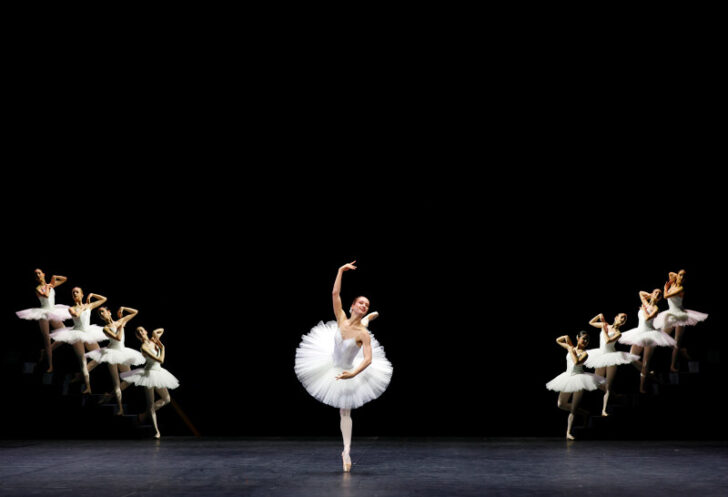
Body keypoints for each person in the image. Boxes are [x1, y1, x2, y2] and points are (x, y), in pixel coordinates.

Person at [294, 261, 393, 472]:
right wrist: (340, 270)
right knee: (362, 323)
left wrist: (353, 374)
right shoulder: (341, 318)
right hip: (329, 361)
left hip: (348, 369)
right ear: (352, 306)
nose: (363, 305)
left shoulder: (363, 335)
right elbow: (334, 293)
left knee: (345, 412)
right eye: (361, 303)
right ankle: (368, 319)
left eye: (367, 305)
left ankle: (346, 451)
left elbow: (368, 359)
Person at [121, 327, 179, 439]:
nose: (140, 332)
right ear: (138, 336)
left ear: (146, 331)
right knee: (150, 404)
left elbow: (162, 329)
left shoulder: (153, 340)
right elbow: (160, 360)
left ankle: (143, 415)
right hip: (149, 374)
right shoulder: (144, 347)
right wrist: (162, 348)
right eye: (138, 332)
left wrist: (154, 333)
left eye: (142, 330)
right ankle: (156, 431)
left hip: (159, 372)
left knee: (167, 399)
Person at [86, 306, 145, 415]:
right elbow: (118, 338)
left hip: (122, 352)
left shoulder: (120, 321)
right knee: (117, 383)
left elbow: (135, 312)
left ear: (109, 312)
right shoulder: (106, 328)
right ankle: (120, 408)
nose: (101, 314)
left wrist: (123, 308)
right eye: (99, 314)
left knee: (129, 380)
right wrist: (121, 326)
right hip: (111, 354)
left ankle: (109, 396)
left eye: (103, 311)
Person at [546, 331, 605, 440]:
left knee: (573, 408)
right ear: (578, 338)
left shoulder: (585, 353)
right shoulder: (571, 347)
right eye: (584, 338)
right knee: (561, 404)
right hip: (568, 377)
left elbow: (577, 362)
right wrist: (566, 337)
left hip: (579, 379)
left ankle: (568, 432)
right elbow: (557, 340)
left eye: (587, 340)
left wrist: (571, 350)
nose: (586, 341)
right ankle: (584, 413)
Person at [49, 287, 108, 394]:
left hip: (87, 332)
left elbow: (104, 299)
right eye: (73, 293)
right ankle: (88, 387)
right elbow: (76, 314)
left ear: (82, 295)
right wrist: (83, 307)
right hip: (76, 334)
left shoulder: (88, 305)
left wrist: (92, 294)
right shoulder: (72, 308)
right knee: (83, 361)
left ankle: (80, 375)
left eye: (77, 292)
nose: (75, 294)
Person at [618, 289, 676, 393]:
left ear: (660, 298)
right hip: (639, 332)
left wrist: (644, 308)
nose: (657, 294)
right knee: (631, 358)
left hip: (650, 335)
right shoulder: (645, 302)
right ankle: (650, 375)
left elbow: (647, 318)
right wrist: (650, 295)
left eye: (659, 294)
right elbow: (640, 292)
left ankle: (642, 387)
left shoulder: (656, 308)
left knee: (646, 362)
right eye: (656, 292)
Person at [16, 269, 71, 373]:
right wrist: (49, 286)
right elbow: (46, 295)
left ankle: (44, 352)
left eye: (39, 273)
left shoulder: (50, 285)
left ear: (43, 274)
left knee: (65, 335)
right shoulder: (38, 288)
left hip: (53, 311)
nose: (38, 275)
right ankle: (50, 366)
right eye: (36, 274)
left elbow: (65, 279)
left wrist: (54, 277)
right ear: (36, 278)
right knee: (47, 339)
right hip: (43, 313)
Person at [585, 313, 639, 416]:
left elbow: (608, 341)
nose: (623, 319)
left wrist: (603, 329)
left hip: (611, 357)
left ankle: (604, 410)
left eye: (625, 319)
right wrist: (599, 316)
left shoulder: (618, 333)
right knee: (597, 383)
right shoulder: (605, 325)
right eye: (622, 317)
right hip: (601, 355)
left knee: (608, 385)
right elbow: (591, 322)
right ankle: (614, 395)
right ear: (616, 317)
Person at [654, 270, 709, 372]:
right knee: (662, 337)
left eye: (684, 276)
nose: (682, 277)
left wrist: (665, 288)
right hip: (671, 314)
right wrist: (675, 277)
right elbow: (670, 273)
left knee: (677, 340)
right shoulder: (673, 284)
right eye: (680, 275)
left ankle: (672, 365)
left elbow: (665, 296)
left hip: (680, 314)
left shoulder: (680, 288)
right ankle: (681, 351)